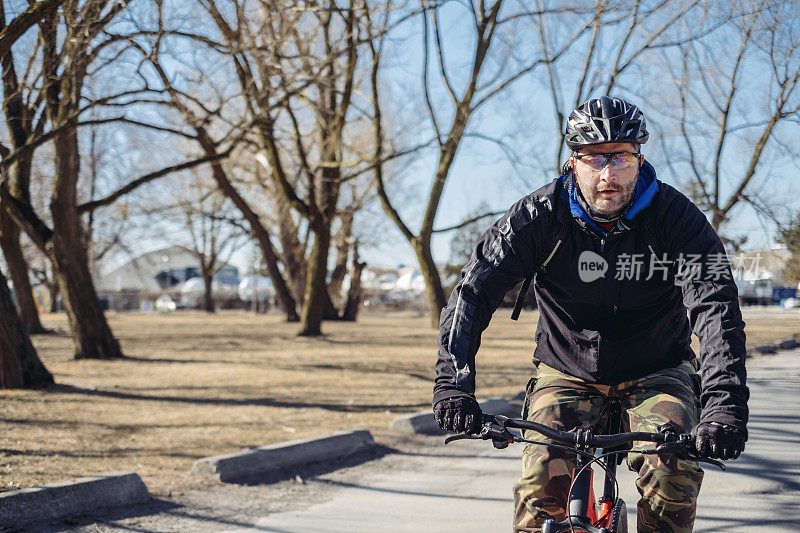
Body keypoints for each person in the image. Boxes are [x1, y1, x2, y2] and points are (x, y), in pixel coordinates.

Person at [432, 96, 748, 533]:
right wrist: (453, 387)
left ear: (640, 158)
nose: (607, 174)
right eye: (593, 158)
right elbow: (472, 293)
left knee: (672, 471)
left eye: (620, 157)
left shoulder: (677, 220)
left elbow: (716, 310)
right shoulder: (537, 217)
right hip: (565, 370)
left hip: (657, 369)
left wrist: (723, 408)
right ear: (572, 162)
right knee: (541, 479)